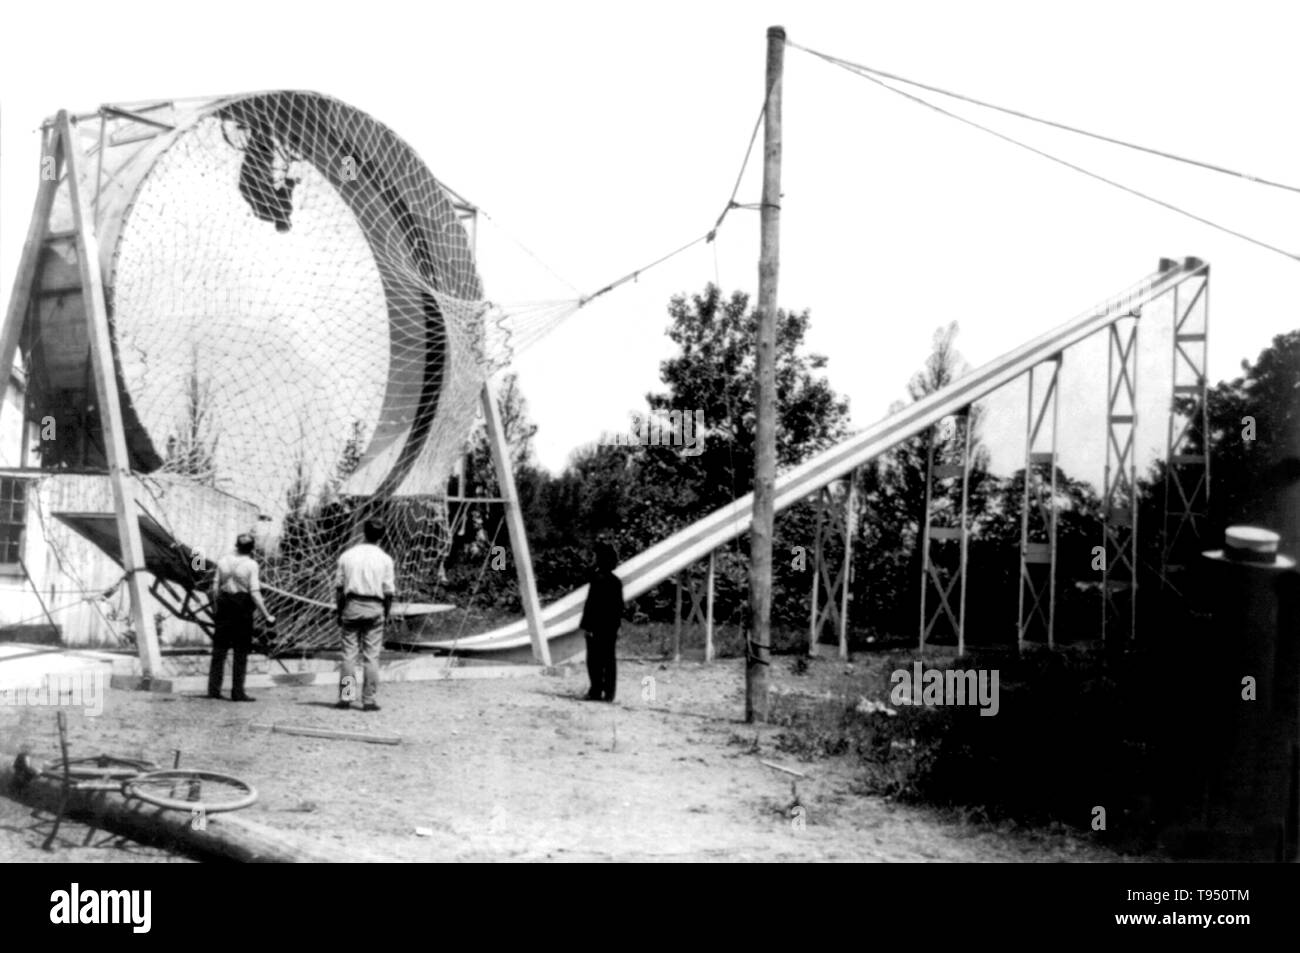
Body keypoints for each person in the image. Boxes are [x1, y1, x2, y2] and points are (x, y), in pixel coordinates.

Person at [335, 518, 396, 712]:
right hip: (375, 606)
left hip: (352, 604)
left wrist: (340, 610)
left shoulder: (348, 555)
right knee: (371, 657)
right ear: (382, 536)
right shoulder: (386, 559)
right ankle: (368, 700)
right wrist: (385, 614)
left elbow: (339, 588)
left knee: (349, 656)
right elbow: (388, 592)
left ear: (363, 532)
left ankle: (346, 697)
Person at [208, 533, 275, 702]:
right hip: (242, 607)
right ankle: (237, 692)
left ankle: (213, 689)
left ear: (236, 545)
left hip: (224, 604)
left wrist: (216, 609)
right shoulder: (251, 565)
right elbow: (254, 592)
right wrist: (267, 615)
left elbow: (214, 589)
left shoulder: (223, 562)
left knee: (219, 650)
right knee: (241, 652)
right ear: (251, 548)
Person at [579, 541, 624, 702]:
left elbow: (591, 606)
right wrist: (617, 626)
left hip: (596, 626)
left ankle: (596, 690)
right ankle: (609, 693)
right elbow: (619, 607)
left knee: (594, 661)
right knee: (609, 660)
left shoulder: (597, 580)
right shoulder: (616, 582)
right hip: (610, 626)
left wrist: (587, 626)